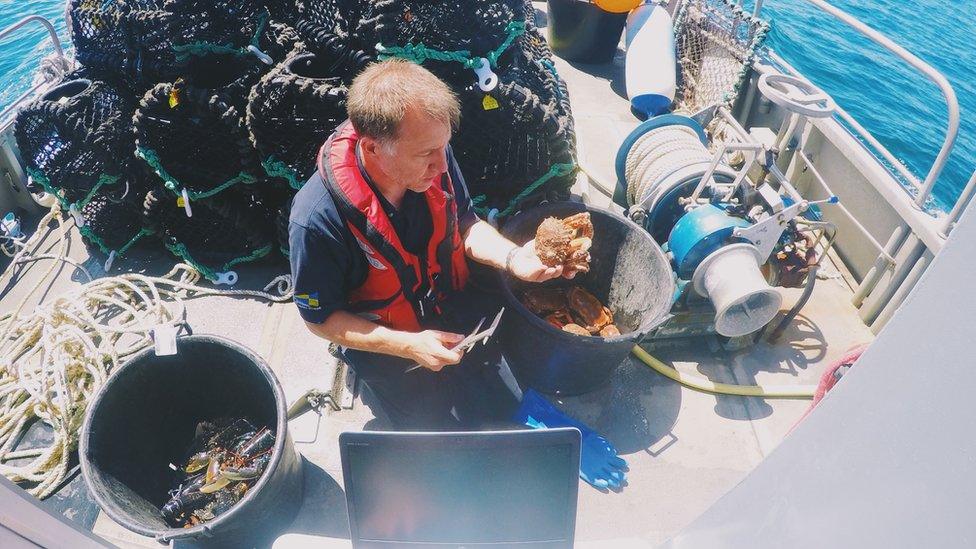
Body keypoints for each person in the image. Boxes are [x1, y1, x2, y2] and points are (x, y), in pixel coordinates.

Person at [289, 59, 575, 430]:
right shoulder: (315, 221)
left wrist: (514, 256)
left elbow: (466, 224)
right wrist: (407, 346)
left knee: (499, 406)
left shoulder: (432, 151)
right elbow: (320, 320)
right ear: (373, 148)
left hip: (448, 305)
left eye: (444, 148)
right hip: (390, 343)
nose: (441, 166)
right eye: (426, 154)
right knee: (432, 428)